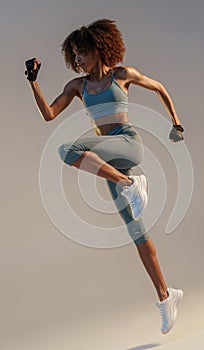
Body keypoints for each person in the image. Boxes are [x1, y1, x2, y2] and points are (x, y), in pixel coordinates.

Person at [25, 18, 184, 334]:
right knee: (137, 233)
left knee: (69, 149)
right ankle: (167, 296)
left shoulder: (121, 75)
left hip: (128, 145)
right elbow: (49, 114)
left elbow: (160, 88)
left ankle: (129, 183)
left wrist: (176, 124)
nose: (79, 59)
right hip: (112, 162)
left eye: (82, 51)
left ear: (98, 48)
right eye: (75, 54)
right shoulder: (77, 87)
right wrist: (33, 81)